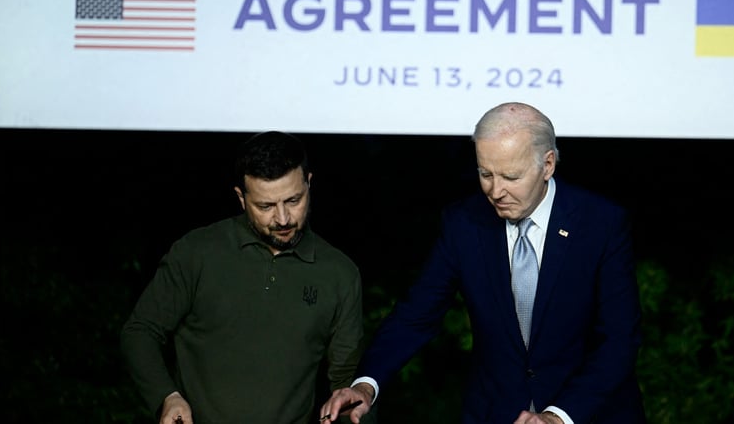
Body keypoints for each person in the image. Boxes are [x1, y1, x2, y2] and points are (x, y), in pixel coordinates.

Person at [320, 102, 645, 424]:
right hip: (495, 413)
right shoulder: (464, 224)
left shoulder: (601, 224)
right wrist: (365, 385)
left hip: (587, 414)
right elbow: (416, 315)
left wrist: (557, 417)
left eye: (511, 176)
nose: (495, 190)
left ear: (547, 165)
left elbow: (618, 340)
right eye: (485, 174)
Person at [120, 131, 364, 424]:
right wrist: (166, 397)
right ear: (241, 198)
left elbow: (345, 385)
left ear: (309, 184)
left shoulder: (340, 273)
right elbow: (141, 331)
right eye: (266, 206)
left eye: (294, 200)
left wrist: (345, 405)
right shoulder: (197, 253)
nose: (283, 218)